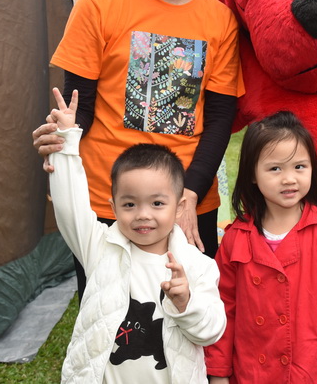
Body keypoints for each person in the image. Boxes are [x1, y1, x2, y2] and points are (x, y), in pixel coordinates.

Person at [32, 0, 244, 298]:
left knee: (188, 314)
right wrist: (63, 136)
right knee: (107, 313)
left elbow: (221, 118)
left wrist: (189, 194)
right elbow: (82, 105)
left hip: (186, 195)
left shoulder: (219, 19)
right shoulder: (98, 3)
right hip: (109, 196)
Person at [47, 88, 226, 383]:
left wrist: (185, 302)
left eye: (157, 203)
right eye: (130, 204)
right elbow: (70, 209)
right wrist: (67, 142)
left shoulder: (197, 265)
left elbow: (210, 332)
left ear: (179, 207)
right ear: (113, 207)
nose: (143, 214)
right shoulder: (100, 248)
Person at [205, 111, 317, 383]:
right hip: (251, 374)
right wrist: (218, 374)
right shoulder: (236, 237)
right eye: (275, 168)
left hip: (309, 374)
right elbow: (223, 311)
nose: (289, 179)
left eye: (299, 167)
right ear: (252, 175)